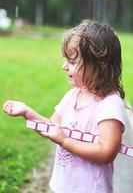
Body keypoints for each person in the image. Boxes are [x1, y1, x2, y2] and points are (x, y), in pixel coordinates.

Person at [3, 20, 126, 193]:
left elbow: (106, 151)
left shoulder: (110, 105)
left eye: (73, 61)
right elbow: (52, 128)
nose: (64, 66)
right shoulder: (72, 95)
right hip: (63, 186)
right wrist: (27, 112)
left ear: (99, 66)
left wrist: (65, 141)